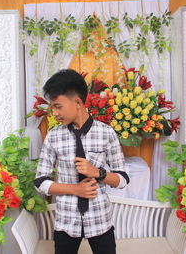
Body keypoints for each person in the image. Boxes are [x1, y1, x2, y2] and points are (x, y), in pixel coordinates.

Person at [34, 69, 130, 254]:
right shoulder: (53, 136)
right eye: (52, 107)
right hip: (66, 221)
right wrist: (75, 190)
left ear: (77, 102)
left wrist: (98, 173)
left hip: (100, 219)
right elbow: (40, 182)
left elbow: (123, 179)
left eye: (58, 106)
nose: (54, 113)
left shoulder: (106, 133)